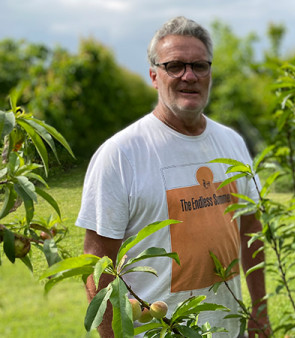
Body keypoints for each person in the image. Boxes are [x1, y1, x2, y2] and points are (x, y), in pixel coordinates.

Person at [76, 16, 269, 337]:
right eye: (175, 66)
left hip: (229, 330)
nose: (189, 76)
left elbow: (252, 230)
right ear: (154, 75)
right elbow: (97, 264)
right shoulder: (121, 154)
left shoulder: (232, 143)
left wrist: (260, 315)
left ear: (210, 73)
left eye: (199, 66)